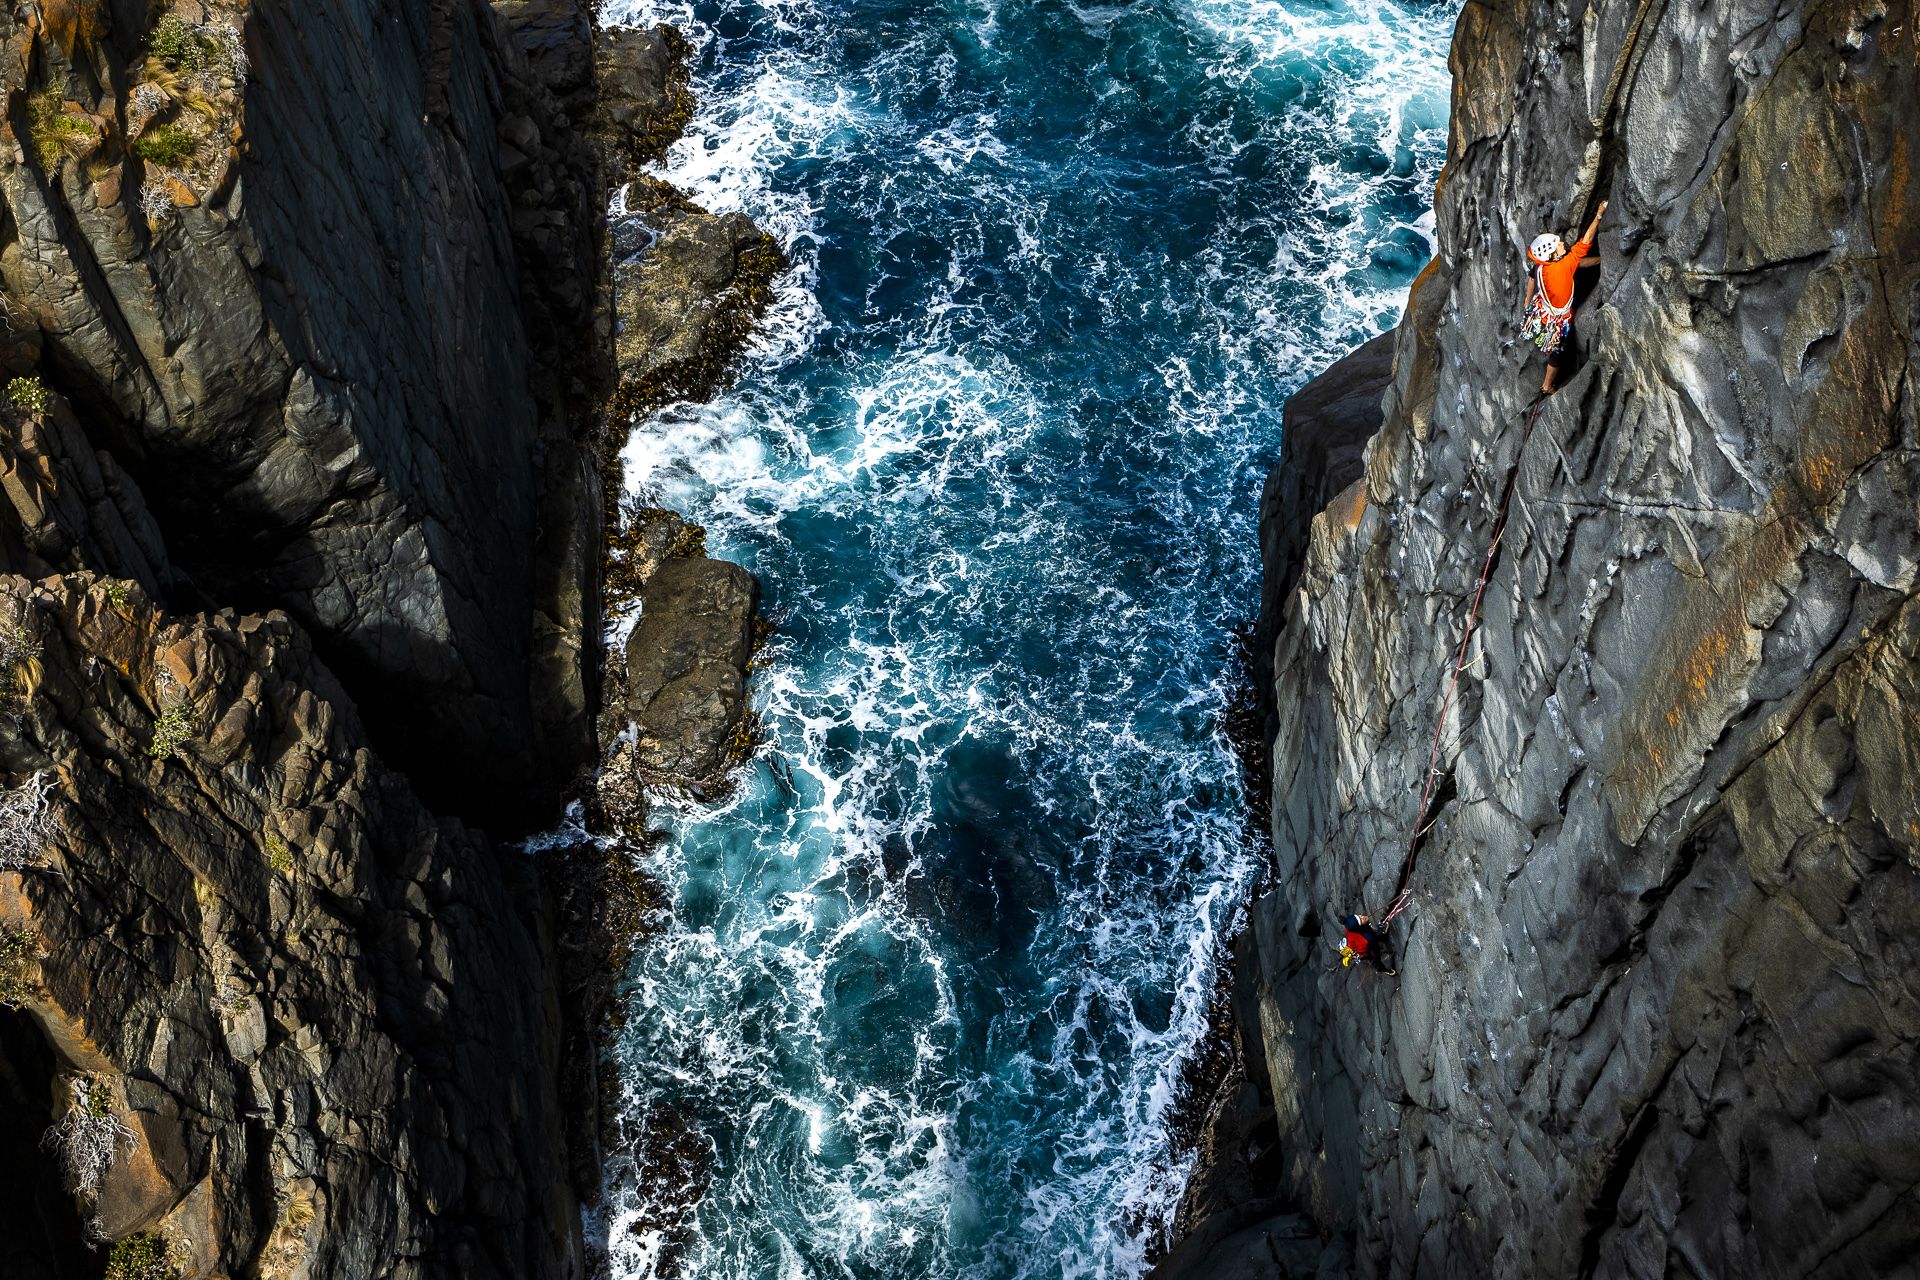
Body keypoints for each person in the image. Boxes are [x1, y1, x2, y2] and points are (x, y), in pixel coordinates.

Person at [1523, 199, 1608, 394]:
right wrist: (1598, 215)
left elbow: (1532, 278)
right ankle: (1547, 385)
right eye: (1557, 245)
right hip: (1557, 318)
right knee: (1559, 351)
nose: (1562, 243)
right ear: (1552, 255)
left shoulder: (1542, 266)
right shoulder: (1562, 267)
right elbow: (1585, 242)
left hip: (1542, 307)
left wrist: (1527, 301)